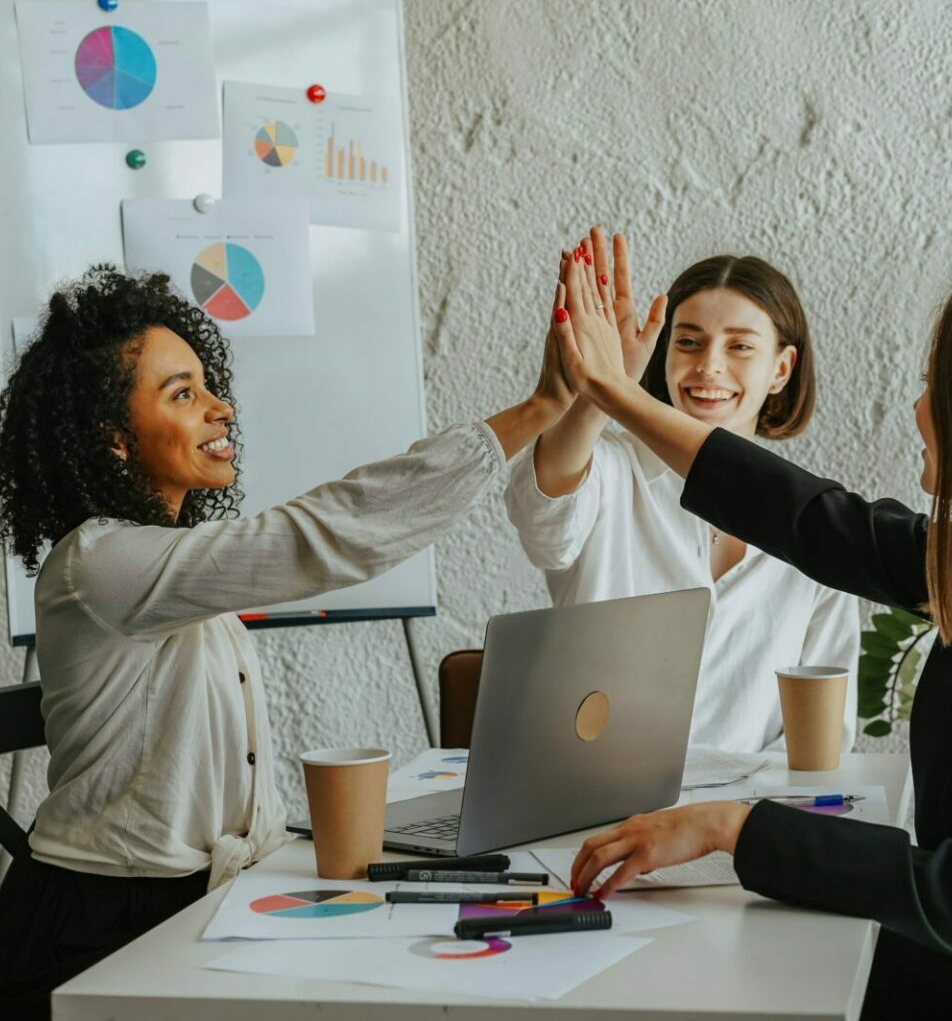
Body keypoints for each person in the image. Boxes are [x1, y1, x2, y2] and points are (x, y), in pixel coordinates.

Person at [0, 264, 574, 1018]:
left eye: (208, 386)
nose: (220, 409)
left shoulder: (170, 563)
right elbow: (321, 537)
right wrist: (542, 407)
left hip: (196, 902)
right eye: (183, 394)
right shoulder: (98, 563)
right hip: (99, 926)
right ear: (112, 441)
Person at [556, 242, 952, 1020]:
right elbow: (807, 517)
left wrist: (730, 827)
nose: (915, 409)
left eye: (933, 387)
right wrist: (614, 394)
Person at [505, 229, 860, 751]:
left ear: (781, 369)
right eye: (688, 341)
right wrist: (603, 388)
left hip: (743, 819)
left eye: (740, 345)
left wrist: (740, 824)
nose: (709, 366)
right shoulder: (609, 470)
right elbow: (543, 518)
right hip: (597, 810)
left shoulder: (816, 520)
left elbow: (824, 732)